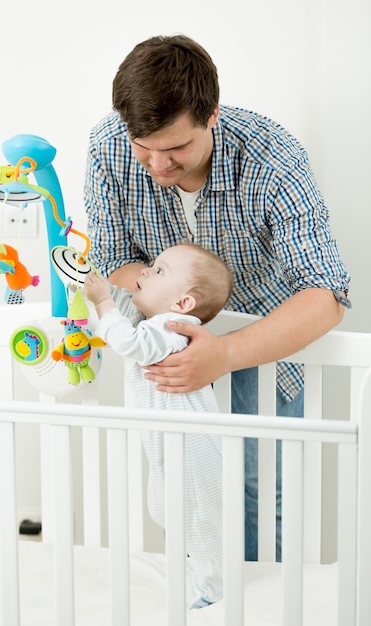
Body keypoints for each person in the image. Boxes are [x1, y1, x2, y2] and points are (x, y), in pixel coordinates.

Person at [84, 34, 351, 561]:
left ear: (211, 116)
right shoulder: (107, 145)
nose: (158, 165)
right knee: (185, 490)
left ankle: (262, 605)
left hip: (262, 343)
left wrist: (225, 352)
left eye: (176, 148)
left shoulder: (273, 157)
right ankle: (205, 593)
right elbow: (115, 258)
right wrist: (174, 320)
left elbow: (327, 293)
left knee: (262, 489)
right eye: (145, 146)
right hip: (169, 350)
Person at [84, 242, 234, 608]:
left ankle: (214, 588)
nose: (146, 271)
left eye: (160, 270)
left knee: (199, 520)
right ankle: (201, 573)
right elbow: (125, 319)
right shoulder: (158, 323)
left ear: (183, 303)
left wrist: (103, 302)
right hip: (172, 446)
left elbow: (128, 342)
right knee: (168, 509)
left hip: (193, 449)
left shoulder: (174, 328)